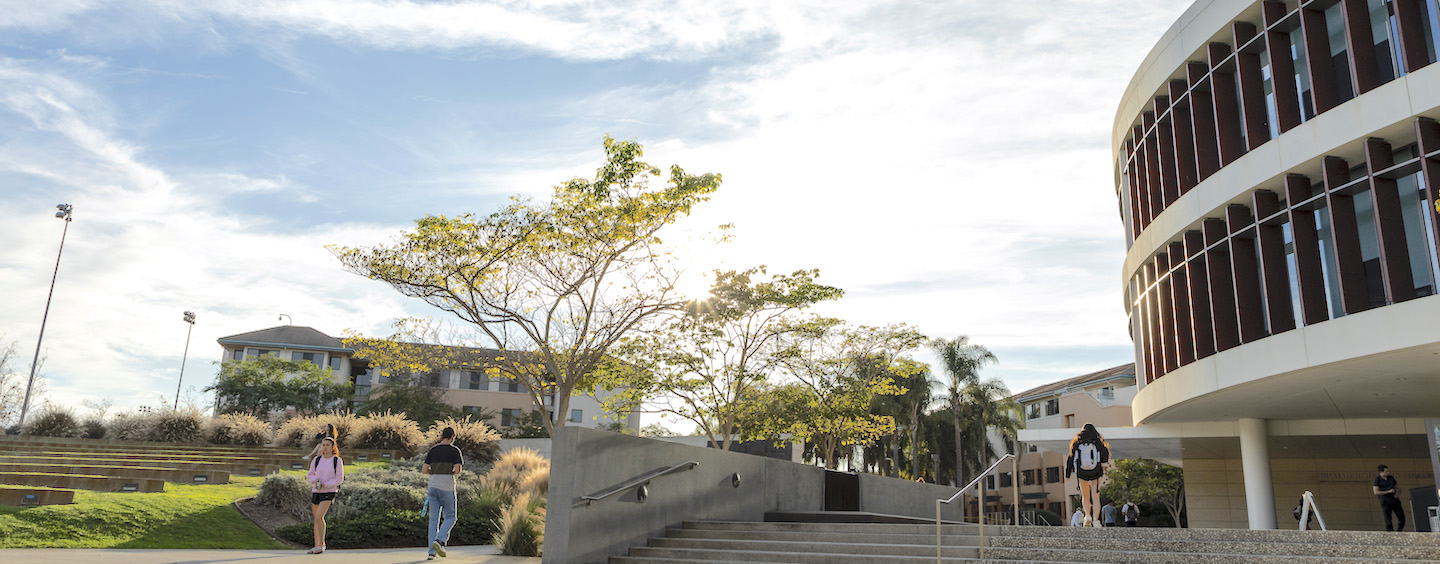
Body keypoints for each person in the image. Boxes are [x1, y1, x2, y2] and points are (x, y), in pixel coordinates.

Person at [423, 427, 465, 560]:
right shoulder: (455, 450)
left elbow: (424, 470)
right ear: (452, 437)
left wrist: (435, 473)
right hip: (447, 487)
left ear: (442, 436)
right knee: (451, 517)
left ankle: (431, 553)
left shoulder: (433, 450)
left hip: (433, 487)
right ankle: (440, 541)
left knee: (433, 520)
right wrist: (449, 473)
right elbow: (458, 469)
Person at [1065, 423, 1110, 527]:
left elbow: (1070, 458)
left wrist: (1067, 474)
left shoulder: (1077, 441)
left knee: (1085, 496)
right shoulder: (1097, 441)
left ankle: (1088, 516)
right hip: (1096, 471)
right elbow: (1104, 455)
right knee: (1095, 496)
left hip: (1082, 472)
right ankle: (1096, 520)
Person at [305, 436, 344, 554]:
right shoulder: (316, 460)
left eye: (328, 445)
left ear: (333, 447)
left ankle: (322, 544)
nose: (325, 447)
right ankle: (316, 545)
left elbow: (339, 478)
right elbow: (310, 475)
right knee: (316, 519)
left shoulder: (337, 461)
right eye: (323, 445)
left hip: (329, 492)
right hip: (316, 491)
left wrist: (326, 484)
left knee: (319, 516)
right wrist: (315, 481)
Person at [1373, 464, 1405, 531]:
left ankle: (1398, 532)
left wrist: (1398, 493)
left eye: (1388, 471)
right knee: (1388, 519)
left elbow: (1398, 487)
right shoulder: (1377, 480)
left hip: (1395, 500)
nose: (1388, 473)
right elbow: (1376, 492)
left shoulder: (1391, 478)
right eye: (1386, 471)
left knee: (1402, 518)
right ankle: (1390, 534)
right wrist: (1388, 491)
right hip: (1385, 501)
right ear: (1381, 472)